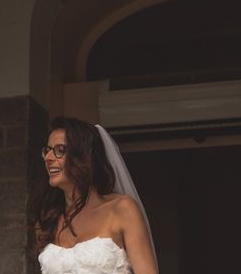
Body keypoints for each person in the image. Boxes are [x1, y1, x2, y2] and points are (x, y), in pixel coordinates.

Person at [30, 116, 157, 274]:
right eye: (47, 150)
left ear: (84, 157)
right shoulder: (49, 218)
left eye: (60, 150)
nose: (48, 158)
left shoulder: (122, 209)